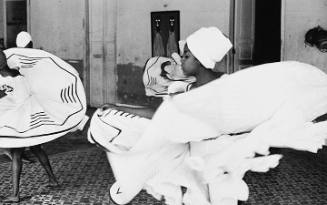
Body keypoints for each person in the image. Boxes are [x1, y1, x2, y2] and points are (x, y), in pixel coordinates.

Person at [0, 50, 58, 203]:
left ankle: (15, 194)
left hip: (24, 119)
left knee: (17, 154)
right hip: (20, 117)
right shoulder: (4, 76)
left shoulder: (16, 77)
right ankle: (53, 179)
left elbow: (21, 99)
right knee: (36, 148)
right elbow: (5, 95)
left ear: (4, 61)